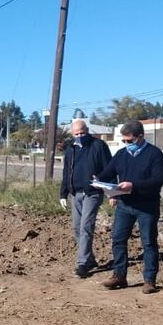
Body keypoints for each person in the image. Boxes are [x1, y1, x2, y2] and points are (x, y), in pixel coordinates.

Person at [95, 120, 163, 294]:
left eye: (130, 141)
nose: (127, 144)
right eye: (124, 141)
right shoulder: (121, 154)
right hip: (125, 206)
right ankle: (119, 275)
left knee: (148, 243)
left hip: (146, 207)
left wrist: (133, 185)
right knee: (118, 239)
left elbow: (157, 181)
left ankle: (149, 280)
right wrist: (98, 179)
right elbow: (109, 172)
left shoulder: (155, 155)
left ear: (140, 137)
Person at [59, 119, 112, 278]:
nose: (80, 136)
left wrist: (106, 184)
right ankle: (90, 259)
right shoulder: (71, 149)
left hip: (92, 193)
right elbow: (66, 172)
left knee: (85, 227)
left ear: (87, 130)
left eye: (82, 133)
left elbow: (110, 167)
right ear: (72, 134)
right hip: (76, 193)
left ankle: (82, 264)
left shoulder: (98, 146)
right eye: (76, 134)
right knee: (77, 227)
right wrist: (63, 193)